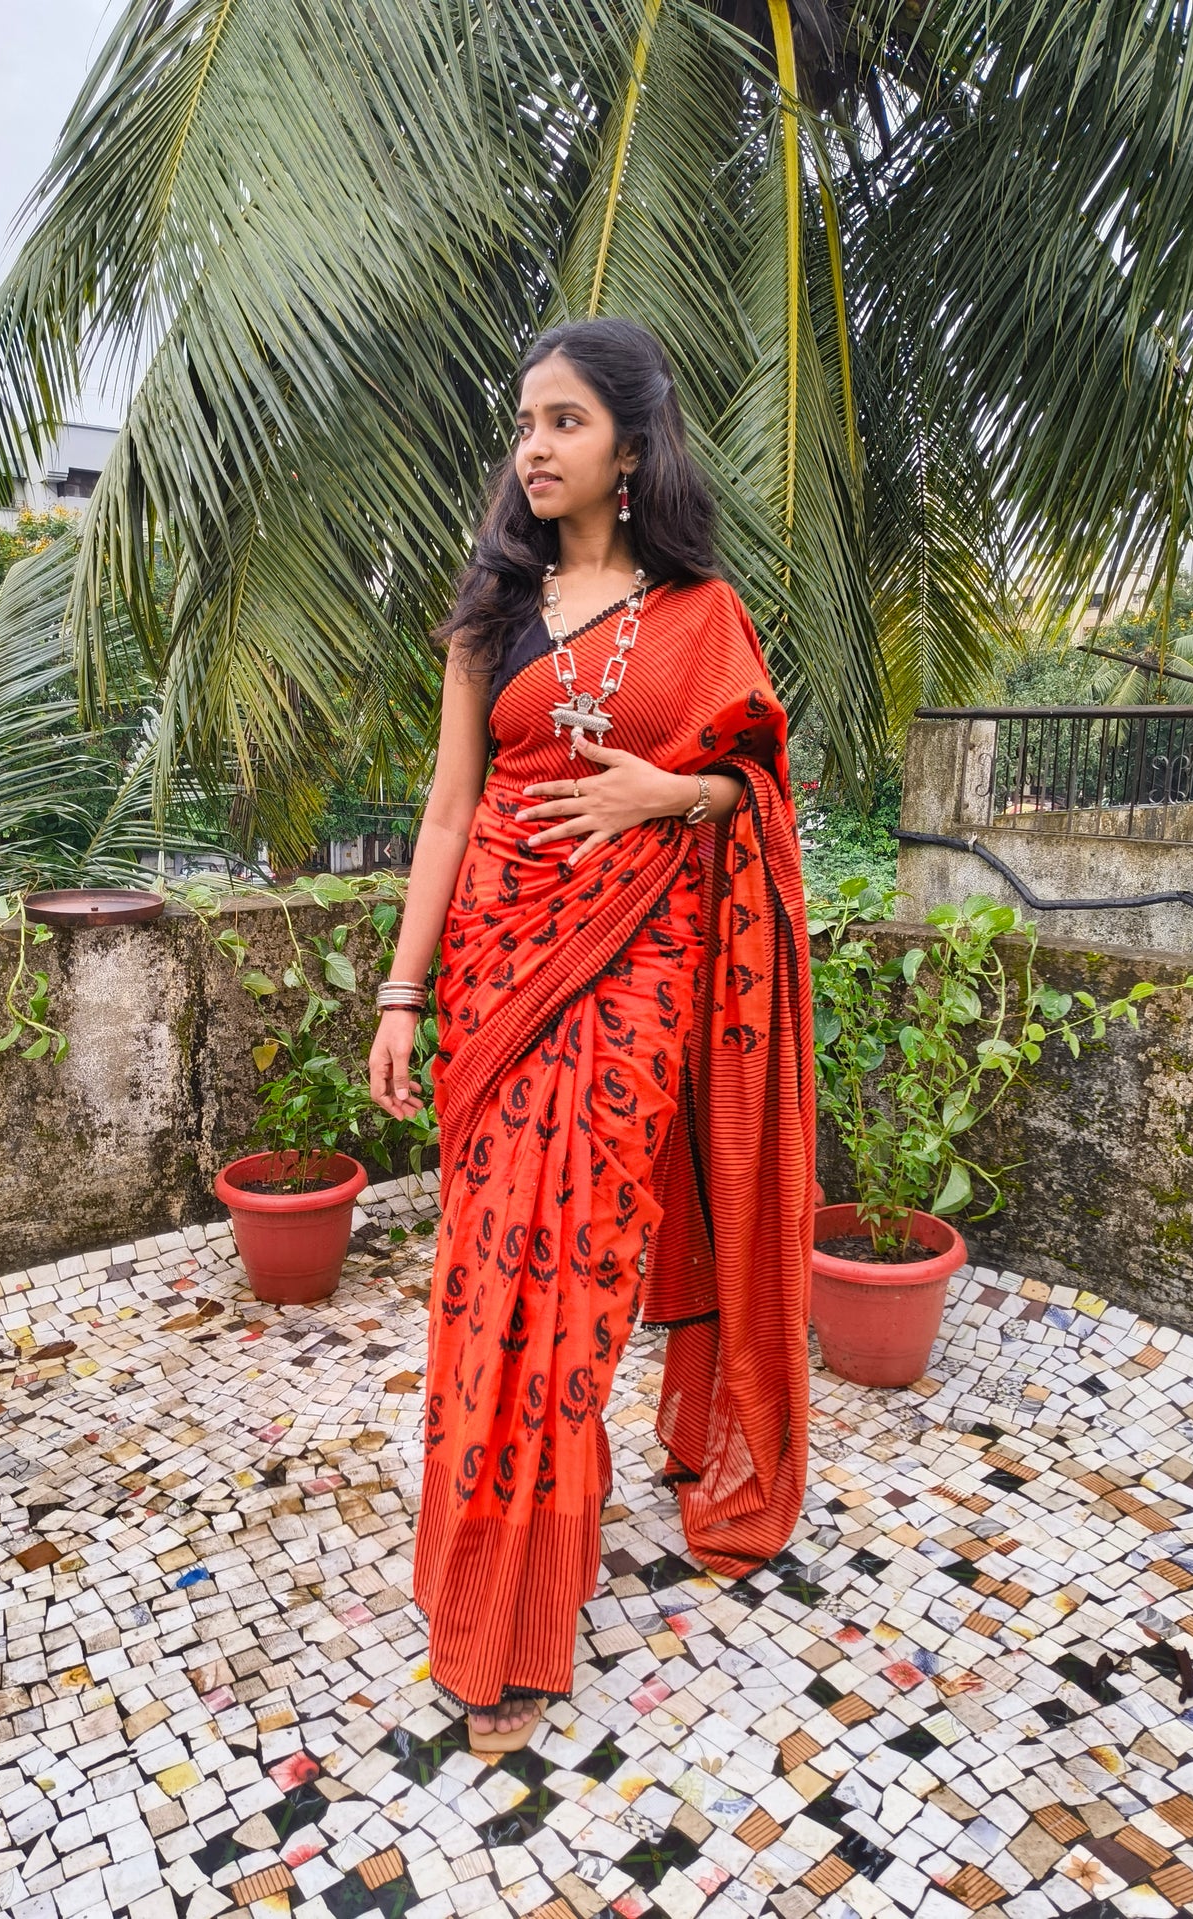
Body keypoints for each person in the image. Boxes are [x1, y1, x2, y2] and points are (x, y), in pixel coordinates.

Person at [368, 317, 814, 1756]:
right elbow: (446, 812)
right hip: (494, 978)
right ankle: (483, 1576)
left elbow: (753, 790)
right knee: (487, 1270)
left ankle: (519, 1611)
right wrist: (401, 991)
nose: (533, 448)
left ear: (630, 446)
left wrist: (662, 800)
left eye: (562, 421)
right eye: (524, 424)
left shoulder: (702, 613)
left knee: (569, 1284)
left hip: (633, 979)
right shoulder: (489, 612)